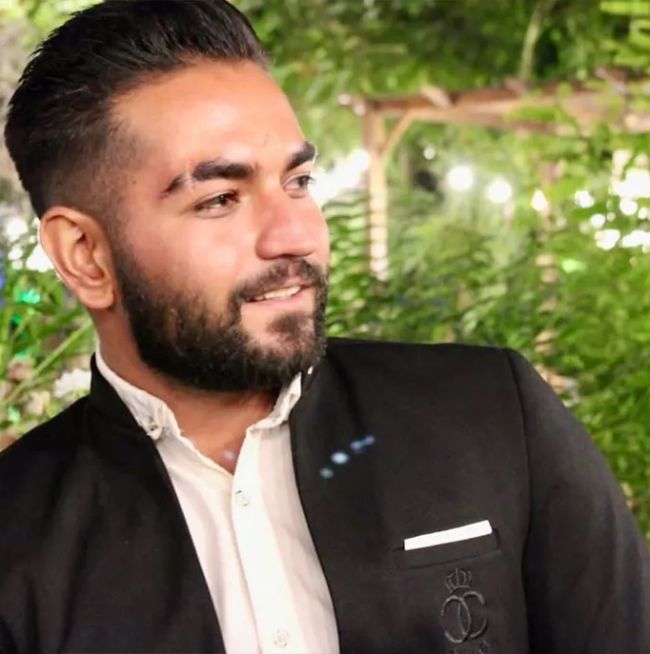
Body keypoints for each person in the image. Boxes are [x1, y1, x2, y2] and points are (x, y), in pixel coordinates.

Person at [0, 1, 648, 652]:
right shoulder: (17, 537)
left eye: (299, 180)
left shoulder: (493, 417)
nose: (297, 234)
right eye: (220, 199)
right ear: (85, 256)